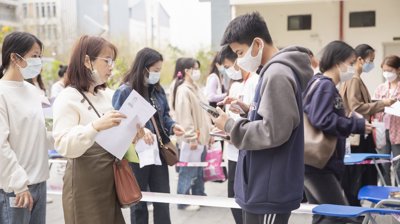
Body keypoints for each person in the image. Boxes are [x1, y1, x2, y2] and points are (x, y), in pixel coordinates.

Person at [212, 12, 313, 224]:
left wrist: (230, 125)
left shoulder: (276, 73)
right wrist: (250, 111)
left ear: (257, 43)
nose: (239, 61)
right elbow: (277, 119)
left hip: (268, 188)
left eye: (240, 53)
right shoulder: (273, 71)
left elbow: (274, 131)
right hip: (264, 184)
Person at [52, 35, 128, 224]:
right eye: (107, 60)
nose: (111, 66)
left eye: (113, 61)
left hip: (109, 181)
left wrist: (137, 132)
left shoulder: (107, 95)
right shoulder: (67, 97)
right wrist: (94, 126)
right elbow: (63, 144)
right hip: (84, 185)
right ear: (87, 61)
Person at [112, 47, 185, 224]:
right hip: (136, 155)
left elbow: (165, 115)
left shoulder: (157, 91)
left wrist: (173, 126)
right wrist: (139, 132)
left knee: (163, 199)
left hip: (158, 152)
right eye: (155, 71)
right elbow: (117, 123)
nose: (157, 75)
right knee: (139, 201)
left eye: (159, 71)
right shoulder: (125, 92)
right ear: (143, 68)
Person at [303, 41, 371, 224]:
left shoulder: (318, 83)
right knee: (341, 216)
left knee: (323, 215)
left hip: (314, 162)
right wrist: (356, 125)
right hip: (319, 165)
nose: (351, 68)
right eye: (350, 63)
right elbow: (322, 119)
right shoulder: (325, 86)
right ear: (337, 62)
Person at [0, 31, 53, 224]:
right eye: (34, 56)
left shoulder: (33, 91)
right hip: (16, 189)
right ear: (14, 57)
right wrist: (19, 184)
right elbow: (1, 145)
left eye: (39, 56)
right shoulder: (2, 93)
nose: (38, 61)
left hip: (40, 181)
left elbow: (47, 131)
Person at [340, 44, 396, 205]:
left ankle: (357, 206)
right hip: (358, 133)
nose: (371, 64)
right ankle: (355, 208)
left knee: (365, 173)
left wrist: (378, 103)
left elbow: (360, 103)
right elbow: (356, 106)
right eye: (370, 60)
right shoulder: (354, 79)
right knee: (361, 174)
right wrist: (382, 104)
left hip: (360, 131)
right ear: (359, 59)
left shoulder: (354, 79)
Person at [172, 57, 212, 211]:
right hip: (192, 139)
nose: (197, 71)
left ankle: (199, 196)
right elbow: (184, 116)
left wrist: (209, 134)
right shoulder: (184, 90)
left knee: (198, 170)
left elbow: (204, 112)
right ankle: (183, 201)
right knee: (187, 171)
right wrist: (191, 138)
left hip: (200, 137)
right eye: (195, 68)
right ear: (187, 71)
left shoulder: (195, 88)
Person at [373, 55, 400, 185]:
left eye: (389, 70)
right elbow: (374, 105)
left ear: (398, 69)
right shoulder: (380, 88)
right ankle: (386, 193)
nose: (386, 73)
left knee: (398, 164)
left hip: (398, 130)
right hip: (381, 129)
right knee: (383, 164)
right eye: (384, 70)